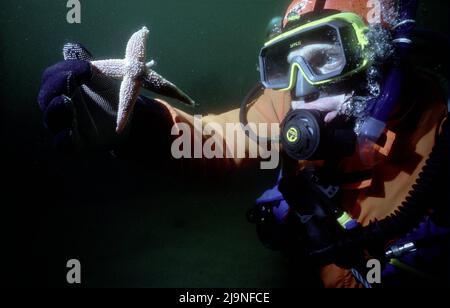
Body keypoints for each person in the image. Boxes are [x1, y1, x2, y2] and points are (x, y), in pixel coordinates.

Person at [38, 0, 449, 288]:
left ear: (379, 54)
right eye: (285, 65)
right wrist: (134, 124)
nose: (301, 86)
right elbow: (212, 140)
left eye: (324, 57)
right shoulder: (285, 102)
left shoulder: (441, 134)